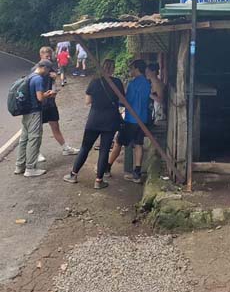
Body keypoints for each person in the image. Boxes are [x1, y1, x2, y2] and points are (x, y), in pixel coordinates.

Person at [63, 59, 124, 190]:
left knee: (85, 147)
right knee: (104, 150)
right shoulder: (117, 83)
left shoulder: (95, 81)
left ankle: (73, 175)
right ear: (113, 69)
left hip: (94, 119)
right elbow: (121, 100)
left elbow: (87, 101)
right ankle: (99, 181)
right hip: (110, 120)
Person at [107, 59, 151, 183]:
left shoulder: (133, 84)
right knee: (138, 144)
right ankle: (137, 173)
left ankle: (107, 167)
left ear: (137, 69)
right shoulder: (147, 83)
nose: (130, 71)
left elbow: (126, 101)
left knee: (118, 142)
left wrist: (118, 101)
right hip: (143, 119)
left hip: (131, 119)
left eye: (131, 68)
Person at [36, 46, 79, 160]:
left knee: (55, 126)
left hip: (50, 103)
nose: (49, 58)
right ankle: (36, 152)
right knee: (37, 129)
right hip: (40, 104)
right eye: (46, 56)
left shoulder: (51, 68)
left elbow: (55, 85)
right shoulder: (37, 70)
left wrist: (55, 79)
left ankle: (65, 148)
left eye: (50, 56)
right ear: (41, 56)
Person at [14, 60, 54, 177]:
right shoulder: (38, 79)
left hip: (25, 112)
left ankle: (19, 165)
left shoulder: (30, 76)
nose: (48, 73)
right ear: (44, 68)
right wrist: (49, 94)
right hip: (34, 112)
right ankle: (30, 168)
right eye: (48, 70)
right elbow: (40, 98)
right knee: (34, 139)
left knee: (24, 139)